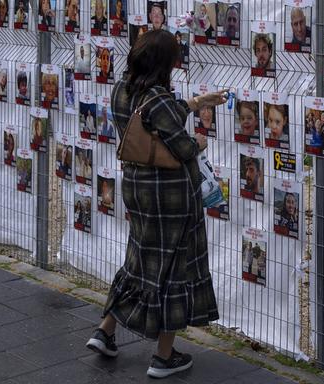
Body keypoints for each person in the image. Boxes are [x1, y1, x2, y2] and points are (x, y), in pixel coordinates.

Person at [87, 29, 228, 379]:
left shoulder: (122, 89)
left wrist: (196, 103)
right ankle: (164, 356)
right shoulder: (159, 99)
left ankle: (105, 331)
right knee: (173, 267)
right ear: (165, 63)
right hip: (170, 195)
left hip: (137, 186)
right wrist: (199, 144)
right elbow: (180, 146)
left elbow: (152, 118)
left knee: (139, 259)